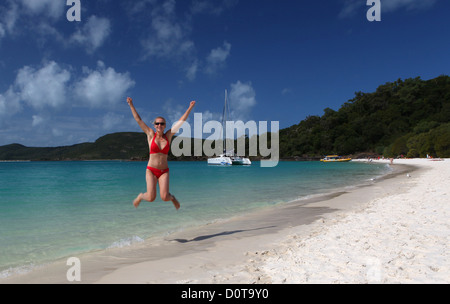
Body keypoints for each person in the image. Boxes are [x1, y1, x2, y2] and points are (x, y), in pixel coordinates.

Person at [126, 97, 196, 210]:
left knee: (164, 197)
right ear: (154, 125)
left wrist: (190, 108)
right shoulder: (150, 134)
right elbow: (138, 120)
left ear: (165, 125)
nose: (159, 125)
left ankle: (172, 198)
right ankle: (140, 196)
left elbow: (180, 122)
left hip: (164, 171)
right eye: (157, 123)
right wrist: (131, 105)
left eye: (162, 123)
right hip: (151, 170)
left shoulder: (168, 136)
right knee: (151, 197)